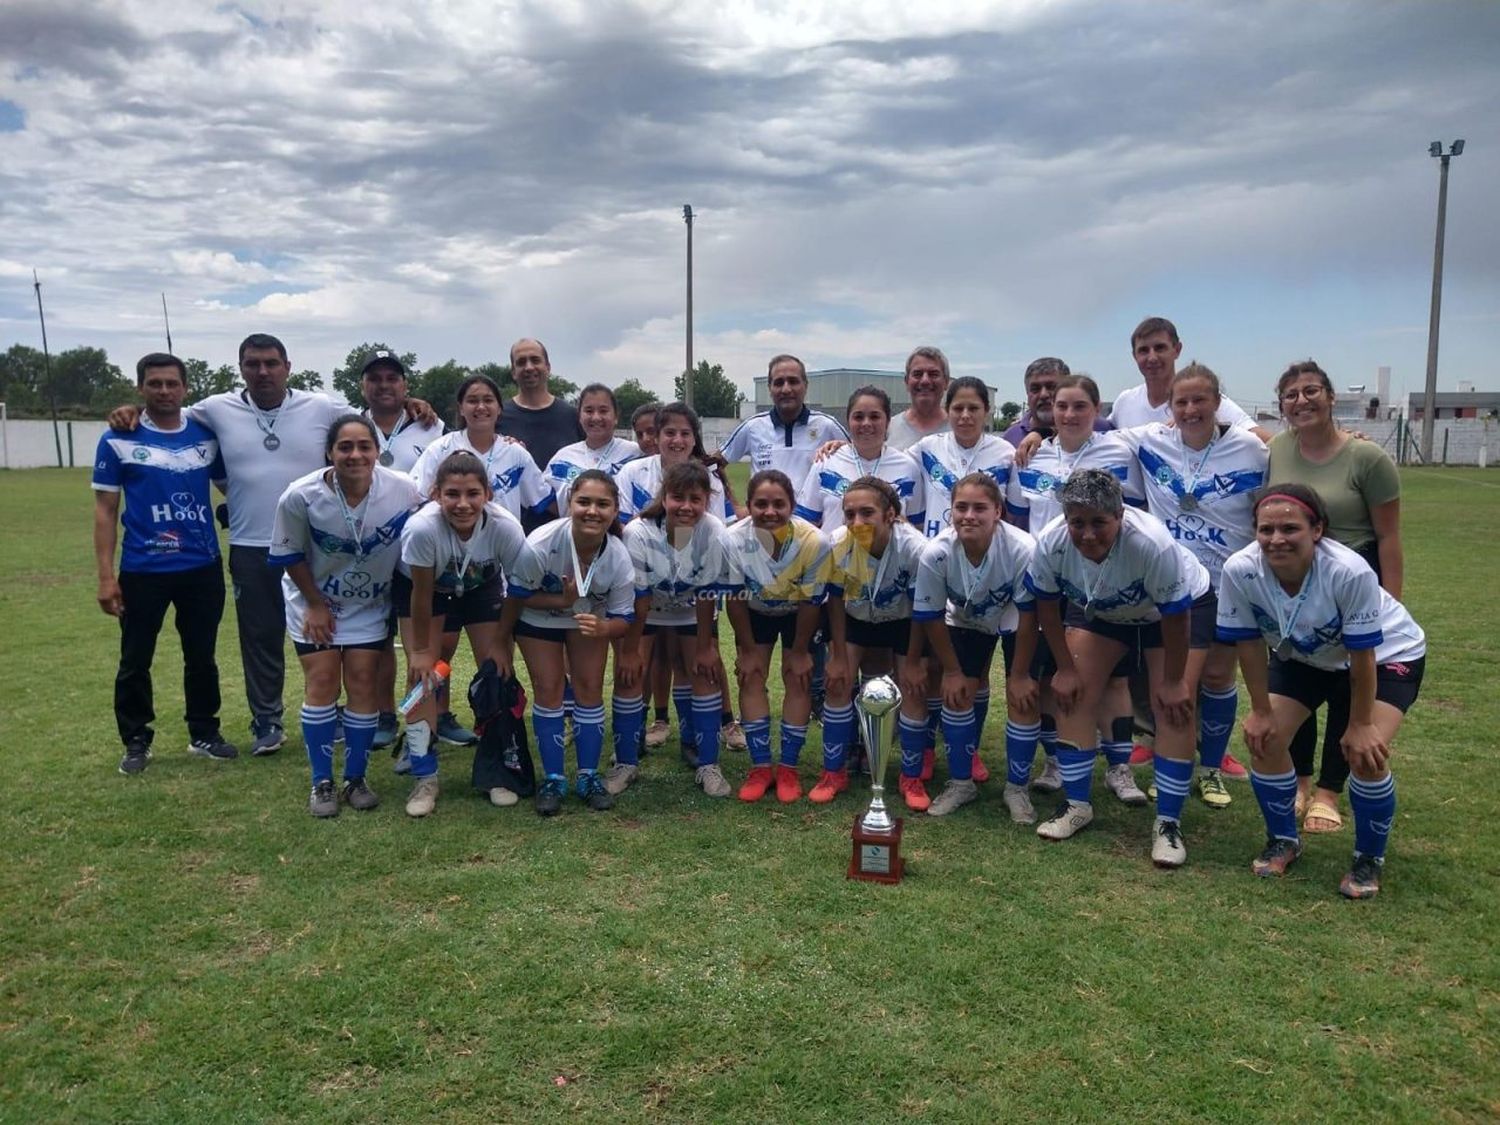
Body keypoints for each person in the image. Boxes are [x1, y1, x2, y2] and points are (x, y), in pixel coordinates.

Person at [107, 333, 434, 756]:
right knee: (260, 636)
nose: (263, 371)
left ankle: (337, 712)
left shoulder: (321, 406)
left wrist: (414, 404)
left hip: (317, 546)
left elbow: (371, 415)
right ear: (241, 368)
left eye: (271, 363)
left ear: (288, 367)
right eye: (253, 364)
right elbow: (166, 411)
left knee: (336, 630)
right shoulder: (215, 409)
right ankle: (267, 720)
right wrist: (131, 411)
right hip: (250, 541)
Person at [1216, 484, 1424, 899]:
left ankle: (1369, 859)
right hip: (1307, 654)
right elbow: (1248, 644)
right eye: (1265, 529)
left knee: (1365, 753)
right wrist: (1260, 710)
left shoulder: (1348, 570)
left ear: (1317, 530)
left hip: (1385, 656)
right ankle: (1284, 840)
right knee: (1265, 738)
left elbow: (1362, 655)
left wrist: (1361, 724)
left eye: (1290, 528)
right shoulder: (1240, 569)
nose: (1276, 539)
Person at [1024, 470, 1210, 868]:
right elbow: (1046, 606)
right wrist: (1064, 668)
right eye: (1078, 522)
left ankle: (1168, 824)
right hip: (1102, 609)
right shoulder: (1052, 542)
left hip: (1169, 615)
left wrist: (1176, 681)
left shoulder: (1152, 544)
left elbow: (1177, 618)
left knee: (1173, 707)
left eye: (1099, 523)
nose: (1087, 534)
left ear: (1120, 515)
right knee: (1072, 694)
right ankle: (1076, 805)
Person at [1116, 362, 1265, 805]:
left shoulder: (1252, 451)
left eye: (1200, 400)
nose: (1190, 408)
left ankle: (1210, 768)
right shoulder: (1149, 440)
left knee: (1218, 676)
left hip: (1229, 582)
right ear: (1170, 406)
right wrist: (1030, 436)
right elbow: (1087, 436)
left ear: (1219, 403)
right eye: (1181, 401)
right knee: (1175, 679)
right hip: (1173, 586)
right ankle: (1173, 762)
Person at [1267, 360, 1404, 834]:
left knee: (1350, 685)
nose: (1301, 401)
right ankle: (1301, 780)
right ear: (1281, 406)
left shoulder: (1366, 458)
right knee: (1295, 676)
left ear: (1329, 396)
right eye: (1291, 395)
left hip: (1354, 576)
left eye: (1311, 391)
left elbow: (1389, 536)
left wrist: (1391, 601)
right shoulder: (1278, 447)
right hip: (1292, 580)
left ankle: (1329, 790)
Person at [268, 415, 424, 817]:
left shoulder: (404, 489)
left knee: (362, 682)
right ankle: (322, 782)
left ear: (376, 451)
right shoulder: (300, 495)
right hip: (314, 600)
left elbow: (425, 525)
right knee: (321, 680)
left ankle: (356, 778)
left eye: (364, 447)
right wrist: (316, 604)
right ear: (330, 452)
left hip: (370, 604)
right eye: (345, 447)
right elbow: (289, 553)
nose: (355, 455)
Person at [93, 352, 234, 774]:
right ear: (140, 388)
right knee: (135, 658)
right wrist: (105, 577)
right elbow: (104, 511)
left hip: (201, 568)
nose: (164, 391)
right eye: (155, 383)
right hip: (142, 570)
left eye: (172, 383)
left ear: (186, 388)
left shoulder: (207, 437)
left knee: (202, 656)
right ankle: (136, 740)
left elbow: (234, 490)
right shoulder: (118, 437)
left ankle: (204, 733)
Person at [1007, 374, 1146, 801]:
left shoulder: (1120, 451)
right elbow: (1016, 516)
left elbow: (1136, 513)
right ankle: (1055, 762)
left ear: (1096, 409)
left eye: (1078, 406)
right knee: (1051, 675)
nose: (1068, 414)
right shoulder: (1032, 456)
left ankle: (1120, 769)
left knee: (1114, 681)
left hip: (1105, 579)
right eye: (1061, 406)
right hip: (1049, 580)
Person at [394, 451, 531, 817]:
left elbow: (517, 589)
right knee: (423, 678)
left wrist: (502, 642)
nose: (463, 503)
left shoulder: (504, 526)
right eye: (452, 494)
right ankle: (425, 777)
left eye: (472, 493)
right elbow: (421, 594)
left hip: (480, 587)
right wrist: (422, 651)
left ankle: (497, 773)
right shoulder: (423, 528)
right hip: (428, 592)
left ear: (487, 493)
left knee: (498, 674)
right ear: (436, 494)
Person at [499, 470, 636, 815]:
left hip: (587, 621)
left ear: (615, 509)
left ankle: (589, 776)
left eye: (602, 504)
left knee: (590, 688)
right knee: (549, 690)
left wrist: (606, 629)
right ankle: (554, 779)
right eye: (584, 502)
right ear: (569, 504)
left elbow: (625, 619)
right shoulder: (542, 543)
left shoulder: (618, 557)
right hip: (538, 617)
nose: (592, 511)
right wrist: (504, 640)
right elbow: (517, 597)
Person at [617, 402, 745, 754]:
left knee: (701, 656)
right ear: (655, 437)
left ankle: (715, 727)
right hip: (648, 582)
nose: (677, 440)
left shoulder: (708, 479)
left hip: (692, 589)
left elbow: (713, 532)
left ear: (694, 438)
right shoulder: (633, 473)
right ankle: (639, 733)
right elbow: (628, 528)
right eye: (669, 432)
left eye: (685, 433)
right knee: (647, 658)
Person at [911, 473, 1040, 818]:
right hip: (966, 617)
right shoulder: (936, 552)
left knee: (1022, 696)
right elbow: (932, 616)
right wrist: (952, 671)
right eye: (961, 507)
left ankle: (1017, 789)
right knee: (957, 692)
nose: (969, 515)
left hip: (1016, 616)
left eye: (979, 508)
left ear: (997, 511)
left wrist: (1019, 674)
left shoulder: (1023, 549)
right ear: (950, 510)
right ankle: (961, 783)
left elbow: (1029, 617)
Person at [617, 462, 733, 798]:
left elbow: (707, 592)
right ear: (664, 497)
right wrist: (630, 650)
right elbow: (638, 598)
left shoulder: (713, 531)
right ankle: (626, 762)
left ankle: (708, 763)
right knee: (631, 675)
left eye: (695, 499)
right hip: (647, 610)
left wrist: (706, 646)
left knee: (704, 672)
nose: (686, 506)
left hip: (690, 613)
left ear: (706, 502)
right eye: (677, 498)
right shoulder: (638, 531)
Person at [721, 470, 831, 803]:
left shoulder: (814, 541)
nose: (770, 512)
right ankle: (760, 766)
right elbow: (735, 598)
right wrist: (748, 649)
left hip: (801, 612)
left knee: (797, 677)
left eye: (779, 504)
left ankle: (788, 768)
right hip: (754, 611)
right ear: (749, 505)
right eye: (761, 504)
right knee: (750, 675)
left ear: (792, 505)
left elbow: (813, 602)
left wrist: (799, 651)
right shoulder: (732, 539)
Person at [817, 477, 927, 803]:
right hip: (856, 619)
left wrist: (916, 661)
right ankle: (833, 773)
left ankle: (911, 779)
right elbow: (834, 602)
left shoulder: (914, 548)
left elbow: (923, 607)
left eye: (867, 513)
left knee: (913, 688)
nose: (857, 522)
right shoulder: (837, 544)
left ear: (890, 514)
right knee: (837, 682)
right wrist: (837, 655)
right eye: (849, 514)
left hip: (905, 620)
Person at [359, 348, 445, 751]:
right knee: (377, 639)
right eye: (375, 378)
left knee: (423, 645)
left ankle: (434, 716)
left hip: (418, 552)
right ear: (363, 386)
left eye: (392, 378)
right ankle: (383, 714)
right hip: (368, 549)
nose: (384, 385)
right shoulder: (351, 426)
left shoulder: (431, 425)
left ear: (405, 385)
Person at [721, 354, 849, 509]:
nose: (786, 389)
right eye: (779, 383)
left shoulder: (827, 426)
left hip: (813, 526)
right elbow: (715, 466)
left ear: (805, 386)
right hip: (766, 523)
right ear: (770, 388)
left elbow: (856, 462)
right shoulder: (752, 427)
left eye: (793, 381)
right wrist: (733, 510)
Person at [1109, 317, 1271, 439]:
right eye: (1144, 350)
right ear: (1134, 356)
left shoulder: (1204, 402)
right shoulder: (1124, 403)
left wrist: (1202, 423)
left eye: (1160, 348)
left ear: (1177, 350)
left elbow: (1266, 440)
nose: (1152, 358)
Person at [795, 385, 923, 531]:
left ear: (887, 422)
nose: (866, 423)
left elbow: (916, 527)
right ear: (848, 421)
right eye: (858, 417)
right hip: (835, 553)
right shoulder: (826, 462)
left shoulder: (907, 467)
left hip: (888, 554)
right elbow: (804, 524)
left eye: (874, 416)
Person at [911, 376, 1016, 539]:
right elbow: (890, 463)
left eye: (973, 408)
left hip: (987, 551)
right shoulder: (927, 449)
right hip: (937, 551)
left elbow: (1015, 512)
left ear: (986, 411)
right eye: (958, 408)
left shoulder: (1006, 453)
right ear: (947, 410)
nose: (965, 415)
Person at [546, 384, 641, 512]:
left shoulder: (635, 453)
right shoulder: (562, 458)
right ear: (579, 416)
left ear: (616, 416)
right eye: (589, 411)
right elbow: (546, 501)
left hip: (622, 531)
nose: (596, 417)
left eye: (603, 411)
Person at [497, 338, 585, 474]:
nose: (529, 367)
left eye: (535, 360)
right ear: (513, 372)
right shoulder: (498, 416)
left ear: (548, 367)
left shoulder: (572, 416)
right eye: (521, 362)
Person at [1002, 357, 1115, 447]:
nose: (1044, 395)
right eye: (1035, 388)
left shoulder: (1102, 428)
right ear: (1027, 393)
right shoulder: (1010, 439)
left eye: (1051, 386)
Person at [886, 346, 952, 450]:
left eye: (933, 374)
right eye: (917, 374)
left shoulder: (960, 430)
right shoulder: (887, 430)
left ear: (946, 382)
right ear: (907, 382)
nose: (925, 381)